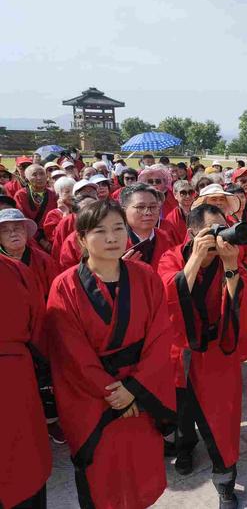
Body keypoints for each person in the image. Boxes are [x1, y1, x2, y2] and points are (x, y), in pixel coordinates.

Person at [46, 200, 176, 508]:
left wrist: (134, 390)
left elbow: (160, 336)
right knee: (103, 480)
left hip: (141, 395)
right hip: (94, 401)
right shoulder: (64, 287)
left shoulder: (145, 275)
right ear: (80, 239)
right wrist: (114, 394)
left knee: (141, 473)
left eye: (118, 228)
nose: (112, 237)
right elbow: (71, 352)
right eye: (100, 230)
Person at [159, 203, 247, 509]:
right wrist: (196, 259)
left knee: (222, 417)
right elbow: (166, 297)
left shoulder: (232, 256)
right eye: (212, 230)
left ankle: (225, 481)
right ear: (192, 233)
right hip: (181, 348)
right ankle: (185, 446)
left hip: (218, 347)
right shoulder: (172, 256)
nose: (220, 236)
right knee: (182, 409)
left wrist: (230, 266)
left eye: (223, 227)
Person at [0, 253, 51, 509]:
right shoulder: (17, 271)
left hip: (15, 376)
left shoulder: (18, 271)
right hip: (15, 374)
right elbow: (39, 331)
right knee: (23, 470)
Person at [120, 183, 174, 270]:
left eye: (153, 206)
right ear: (123, 211)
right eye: (140, 207)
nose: (148, 212)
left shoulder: (166, 238)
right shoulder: (115, 242)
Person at [14, 163, 58, 251]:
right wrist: (41, 241)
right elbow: (23, 221)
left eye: (42, 174)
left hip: (51, 237)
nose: (39, 177)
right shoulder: (21, 195)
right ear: (27, 178)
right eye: (34, 175)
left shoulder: (53, 194)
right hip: (30, 238)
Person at [42, 176, 75, 247]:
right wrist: (65, 214)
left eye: (74, 191)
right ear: (59, 195)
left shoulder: (80, 210)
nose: (72, 194)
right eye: (67, 192)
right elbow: (54, 237)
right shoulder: (53, 214)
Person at [164, 179, 196, 245]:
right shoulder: (171, 218)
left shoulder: (200, 212)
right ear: (175, 195)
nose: (187, 196)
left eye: (190, 192)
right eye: (183, 193)